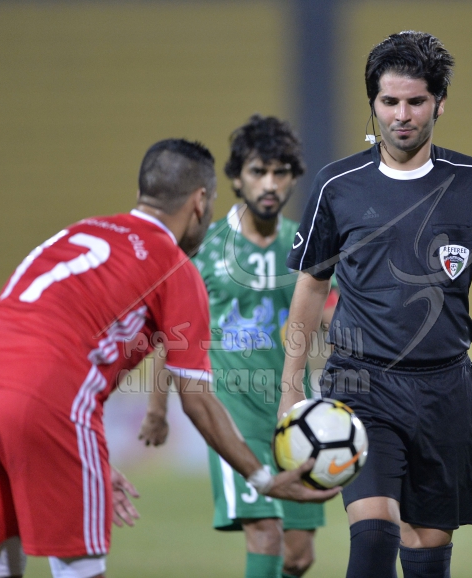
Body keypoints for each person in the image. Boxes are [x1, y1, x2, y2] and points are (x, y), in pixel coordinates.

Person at [0, 138, 338, 578]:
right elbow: (198, 400)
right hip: (51, 399)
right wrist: (264, 479)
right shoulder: (174, 266)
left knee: (1, 550)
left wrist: (83, 456)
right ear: (200, 201)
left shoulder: (77, 232)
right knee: (80, 568)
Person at [278, 31, 472, 578]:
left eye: (415, 101)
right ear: (372, 104)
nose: (401, 115)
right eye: (389, 101)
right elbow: (310, 287)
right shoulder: (337, 185)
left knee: (426, 557)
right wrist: (290, 385)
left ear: (439, 103)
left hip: (446, 390)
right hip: (361, 385)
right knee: (374, 535)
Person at [139, 115, 338, 578]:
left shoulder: (304, 244)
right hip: (232, 414)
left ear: (293, 178)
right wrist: (156, 408)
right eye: (258, 171)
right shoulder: (205, 247)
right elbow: (172, 335)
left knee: (299, 555)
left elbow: (333, 320)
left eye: (281, 172)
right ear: (235, 178)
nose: (270, 183)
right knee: (264, 531)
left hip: (292, 412)